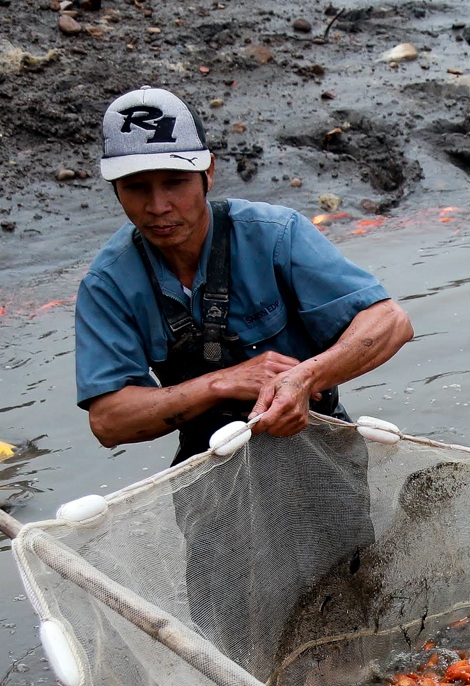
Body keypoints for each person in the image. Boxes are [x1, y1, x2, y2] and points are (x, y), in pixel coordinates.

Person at [74, 85, 413, 465]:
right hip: (209, 467)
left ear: (209, 172)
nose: (158, 206)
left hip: (319, 445)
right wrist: (221, 383)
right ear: (115, 190)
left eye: (174, 182)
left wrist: (303, 379)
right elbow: (108, 421)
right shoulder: (107, 284)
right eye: (136, 188)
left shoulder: (276, 234)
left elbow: (390, 322)